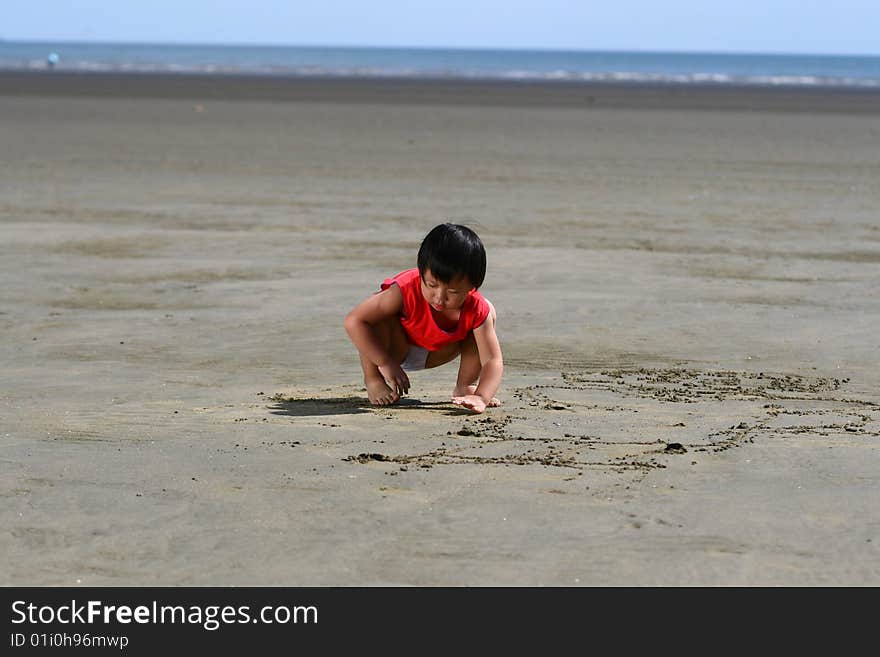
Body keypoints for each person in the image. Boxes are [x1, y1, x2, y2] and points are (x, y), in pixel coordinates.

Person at [344, 223, 503, 414]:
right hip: (395, 347)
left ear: (472, 287)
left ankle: (466, 386)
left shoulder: (475, 306)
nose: (439, 297)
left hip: (439, 351)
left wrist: (482, 396)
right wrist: (384, 362)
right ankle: (373, 381)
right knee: (375, 317)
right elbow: (354, 321)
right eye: (431, 285)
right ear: (421, 273)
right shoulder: (404, 290)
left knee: (486, 313)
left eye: (452, 291)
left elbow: (492, 360)